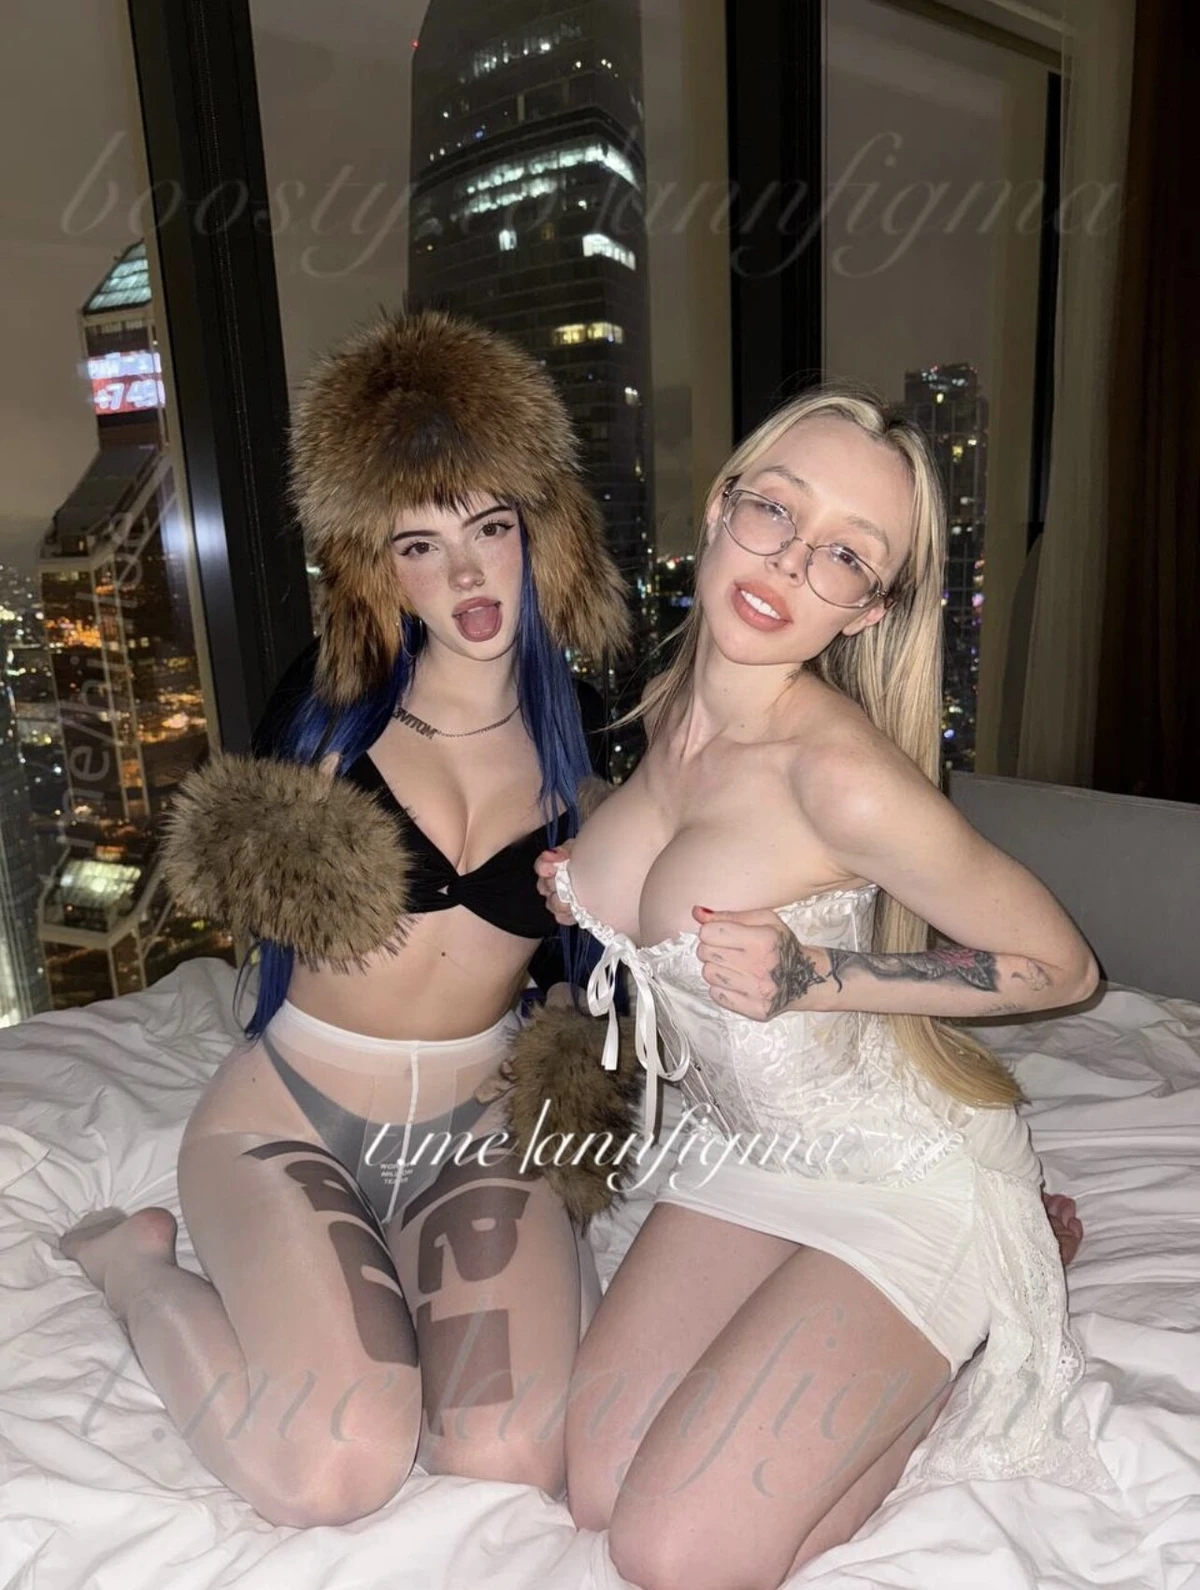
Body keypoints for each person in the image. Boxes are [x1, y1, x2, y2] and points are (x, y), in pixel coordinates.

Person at [56, 309, 629, 1529]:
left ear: (542, 530)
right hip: (289, 1122)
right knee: (335, 1470)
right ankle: (133, 1272)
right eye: (422, 544)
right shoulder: (332, 717)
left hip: (477, 1127)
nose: (466, 576)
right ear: (379, 566)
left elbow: (647, 933)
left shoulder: (582, 743)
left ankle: (398, 1285)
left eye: (490, 528)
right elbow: (230, 867)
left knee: (509, 1453)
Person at [532, 386, 1101, 1590]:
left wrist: (818, 974)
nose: (791, 560)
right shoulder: (672, 710)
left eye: (846, 554)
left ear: (869, 607)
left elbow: (1061, 966)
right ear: (720, 508)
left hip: (906, 1176)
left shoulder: (839, 773)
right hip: (745, 1149)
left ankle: (980, 1304)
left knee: (669, 1551)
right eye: (776, 511)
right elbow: (680, 861)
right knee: (595, 1484)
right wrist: (586, 883)